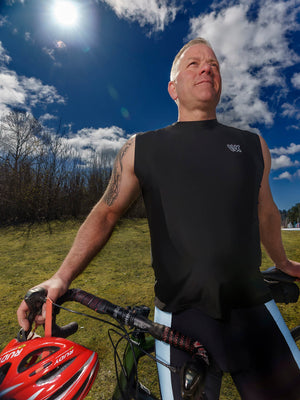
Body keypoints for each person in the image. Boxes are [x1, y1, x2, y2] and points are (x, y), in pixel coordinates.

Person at [18, 38, 300, 399]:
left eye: (213, 64)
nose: (206, 68)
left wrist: (282, 261)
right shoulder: (141, 148)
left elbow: (267, 210)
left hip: (254, 309)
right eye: (193, 64)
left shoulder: (252, 145)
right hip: (180, 318)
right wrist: (61, 276)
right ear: (173, 88)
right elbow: (106, 212)